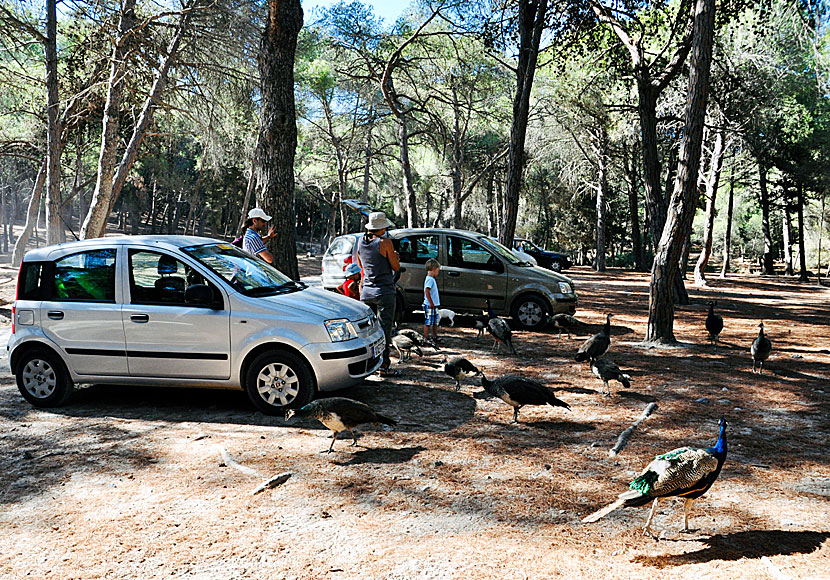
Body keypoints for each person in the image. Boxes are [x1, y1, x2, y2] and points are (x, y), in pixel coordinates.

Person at [357, 211, 400, 377]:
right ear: (381, 228)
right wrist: (396, 257)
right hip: (384, 291)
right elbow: (395, 267)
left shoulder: (360, 242)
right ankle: (384, 366)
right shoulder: (385, 242)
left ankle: (368, 364)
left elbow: (361, 264)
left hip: (367, 291)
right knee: (384, 330)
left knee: (367, 332)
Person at [423, 258, 441, 343]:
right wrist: (431, 302)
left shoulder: (431, 279)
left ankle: (434, 336)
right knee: (428, 322)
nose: (438, 273)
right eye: (437, 271)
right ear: (434, 270)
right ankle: (425, 338)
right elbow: (427, 291)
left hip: (434, 304)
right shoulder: (430, 280)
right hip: (430, 305)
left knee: (435, 321)